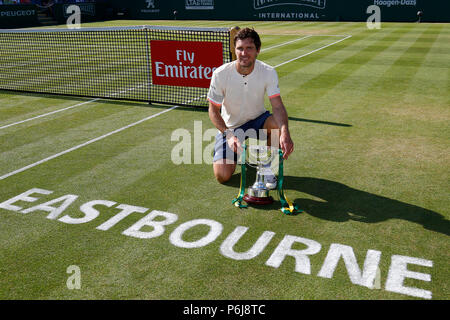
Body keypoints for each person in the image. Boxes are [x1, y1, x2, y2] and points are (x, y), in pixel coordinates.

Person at [207, 27, 294, 188]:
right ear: (235, 50)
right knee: (222, 176)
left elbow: (278, 107)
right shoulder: (220, 73)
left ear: (258, 50)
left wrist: (285, 133)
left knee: (277, 125)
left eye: (249, 48)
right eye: (240, 48)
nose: (244, 53)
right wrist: (228, 135)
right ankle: (226, 150)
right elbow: (213, 110)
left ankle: (267, 169)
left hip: (257, 120)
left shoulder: (268, 72)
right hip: (231, 128)